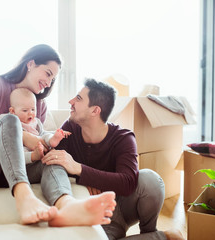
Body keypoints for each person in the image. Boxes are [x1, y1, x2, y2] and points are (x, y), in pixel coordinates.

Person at [0, 44, 116, 226]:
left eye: (53, 79)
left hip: (12, 170)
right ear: (31, 64)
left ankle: (67, 206)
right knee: (10, 120)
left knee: (53, 158)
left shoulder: (39, 105)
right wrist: (24, 137)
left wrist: (46, 144)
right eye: (48, 74)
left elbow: (41, 143)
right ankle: (24, 197)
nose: (49, 83)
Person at [42, 78, 185, 239]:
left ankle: (148, 232)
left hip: (122, 208)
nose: (71, 101)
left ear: (95, 111)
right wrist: (87, 179)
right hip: (96, 217)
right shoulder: (69, 129)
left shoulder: (123, 137)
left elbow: (128, 181)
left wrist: (80, 169)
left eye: (79, 98)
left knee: (151, 179)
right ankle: (162, 237)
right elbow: (56, 163)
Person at [0, 87, 71, 163]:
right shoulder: (6, 118)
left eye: (33, 109)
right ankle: (33, 156)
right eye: (25, 110)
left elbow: (42, 134)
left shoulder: (36, 122)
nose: (30, 113)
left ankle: (53, 139)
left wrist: (53, 135)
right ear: (13, 111)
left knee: (45, 135)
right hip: (20, 149)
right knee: (17, 152)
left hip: (37, 144)